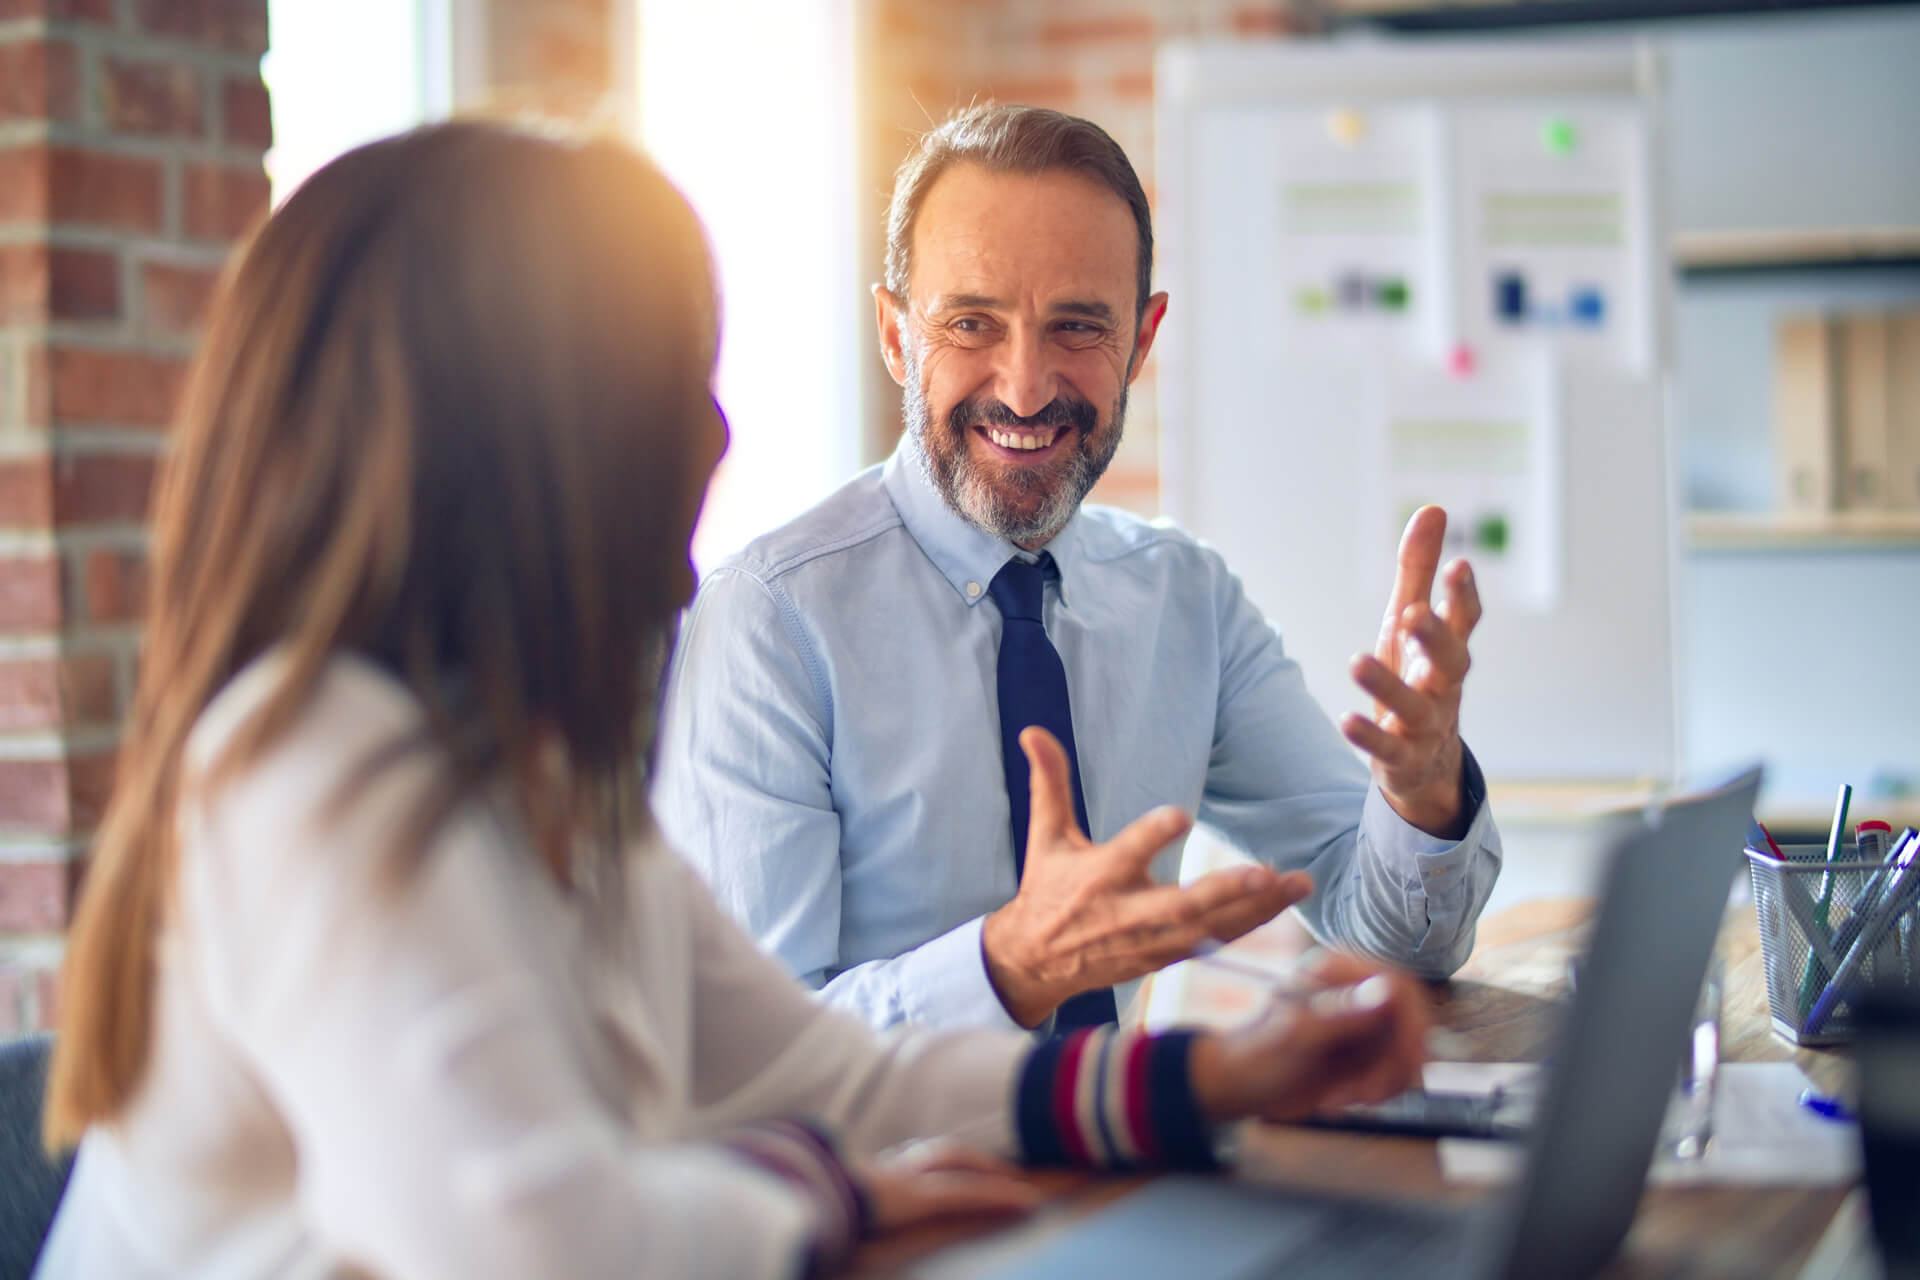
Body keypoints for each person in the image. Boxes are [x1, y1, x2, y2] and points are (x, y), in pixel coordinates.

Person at [35, 121, 1431, 1280]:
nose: (713, 434)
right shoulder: (319, 774)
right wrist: (820, 1200)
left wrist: (1205, 1084)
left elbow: (822, 1077)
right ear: (504, 436)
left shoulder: (532, 776)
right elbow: (539, 1250)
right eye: (667, 385)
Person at [653, 103, 1504, 1035]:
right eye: (972, 323)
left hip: (1126, 1157)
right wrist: (1007, 969)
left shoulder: (1188, 602)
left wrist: (1421, 799)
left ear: (1140, 341)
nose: (1025, 387)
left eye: (1077, 328)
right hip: (889, 1178)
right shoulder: (770, 621)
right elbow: (748, 1055)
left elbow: (1393, 940)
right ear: (898, 337)